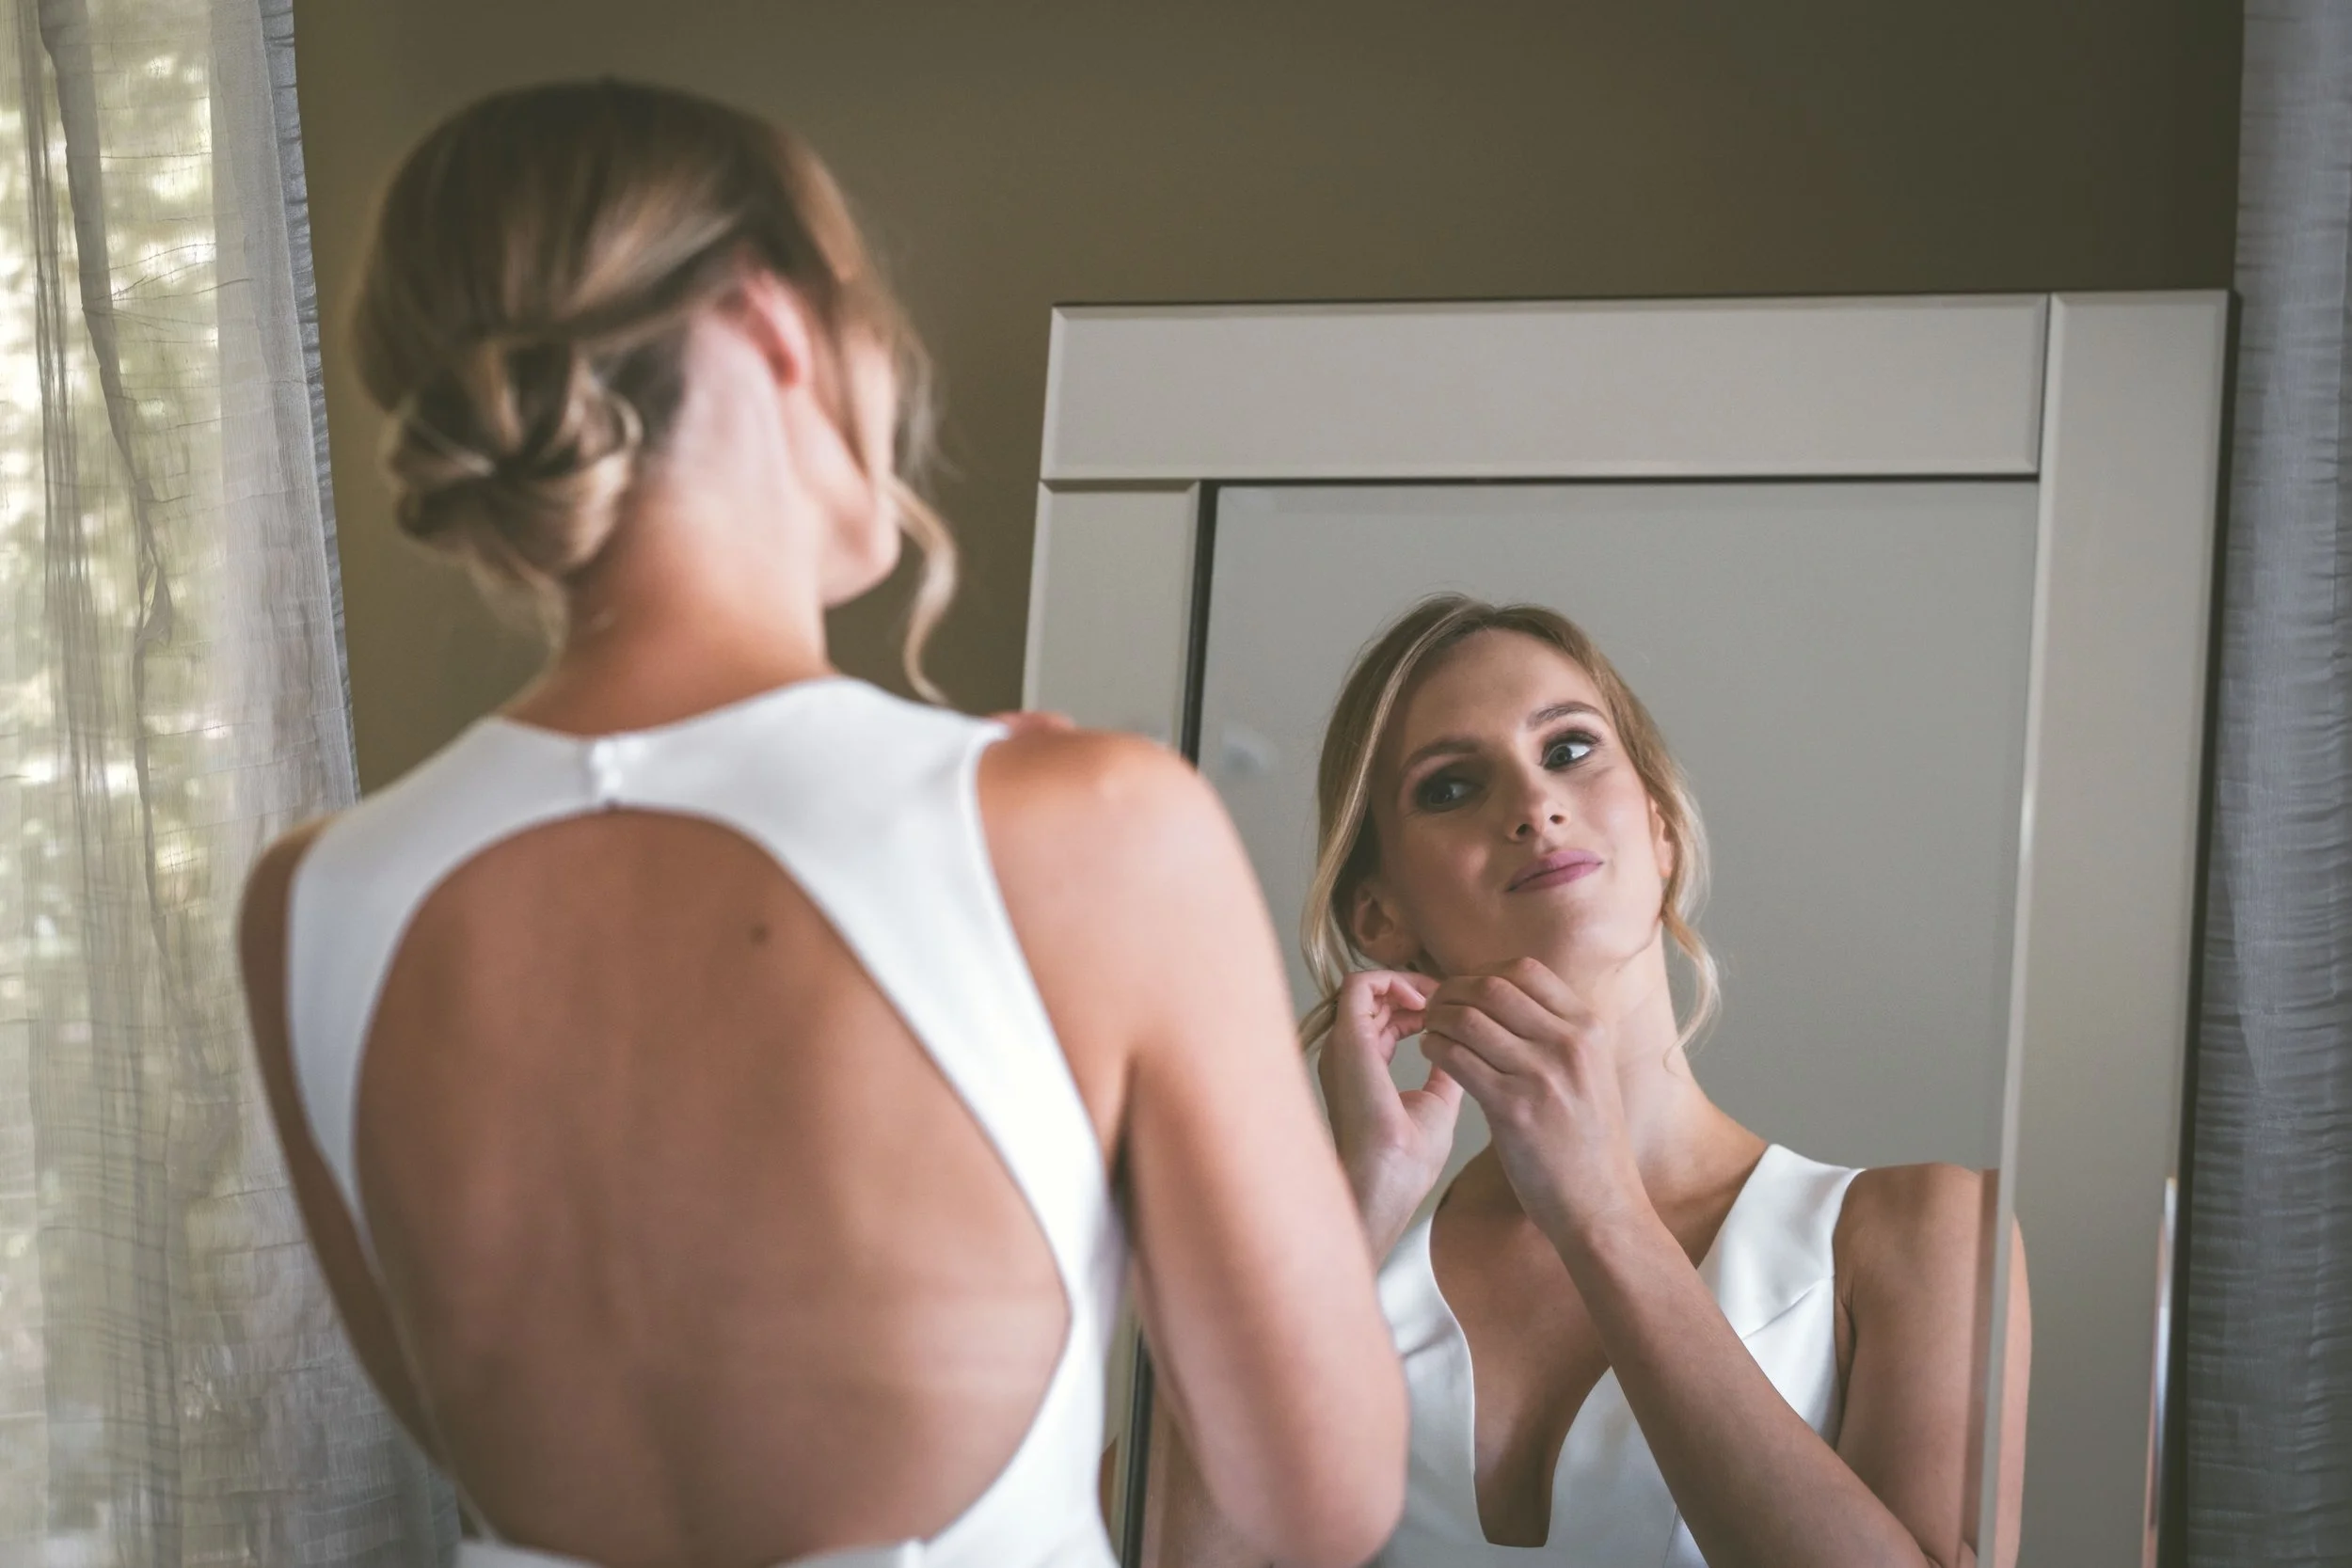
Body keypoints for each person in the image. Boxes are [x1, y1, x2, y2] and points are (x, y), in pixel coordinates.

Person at [236, 79, 1404, 1568]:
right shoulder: (1100, 833)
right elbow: (1317, 1501)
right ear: (772, 320)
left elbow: (467, 1454)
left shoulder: (312, 901)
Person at [1146, 595, 2029, 1568]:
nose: (1533, 804)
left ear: (1660, 829)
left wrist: (1601, 1210)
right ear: (1381, 914)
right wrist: (1353, 1214)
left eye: (1567, 749)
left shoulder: (1927, 1230)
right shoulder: (1346, 1283)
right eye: (1450, 786)